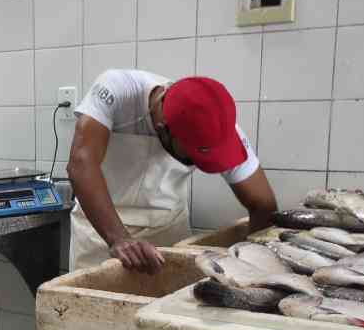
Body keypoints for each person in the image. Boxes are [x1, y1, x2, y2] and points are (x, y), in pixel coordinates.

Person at [66, 70, 278, 273]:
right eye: (192, 156)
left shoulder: (216, 125)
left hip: (167, 234)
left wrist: (254, 265)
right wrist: (119, 238)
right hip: (100, 234)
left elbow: (263, 204)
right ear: (163, 127)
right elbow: (81, 164)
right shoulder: (117, 89)